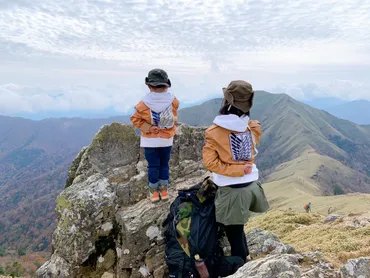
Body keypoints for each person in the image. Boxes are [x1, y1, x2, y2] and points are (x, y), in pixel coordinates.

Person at [202, 80, 269, 263]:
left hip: (232, 189)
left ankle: (241, 265)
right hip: (251, 185)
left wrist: (236, 170)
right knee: (238, 228)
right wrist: (242, 168)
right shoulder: (251, 127)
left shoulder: (214, 132)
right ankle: (246, 256)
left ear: (227, 102)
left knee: (234, 231)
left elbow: (210, 163)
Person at [130, 69, 180, 203]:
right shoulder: (173, 100)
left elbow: (135, 119)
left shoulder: (143, 103)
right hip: (166, 140)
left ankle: (153, 193)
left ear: (148, 86)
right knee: (164, 165)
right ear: (166, 85)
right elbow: (174, 117)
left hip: (149, 141)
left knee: (153, 166)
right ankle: (164, 192)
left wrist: (149, 128)